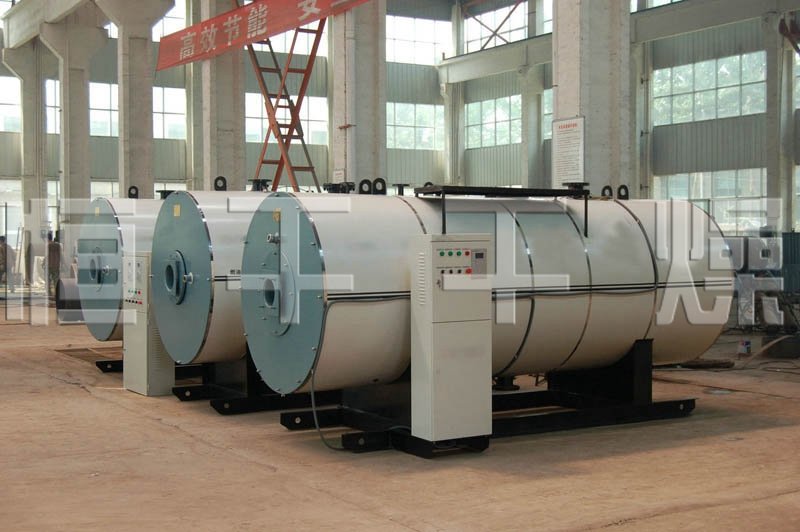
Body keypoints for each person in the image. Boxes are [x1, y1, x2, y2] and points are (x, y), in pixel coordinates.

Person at [45, 232, 62, 298]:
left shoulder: (48, 246)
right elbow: (61, 255)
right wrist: (63, 263)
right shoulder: (58, 245)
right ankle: (56, 293)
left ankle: (49, 292)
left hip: (49, 265)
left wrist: (44, 263)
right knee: (56, 280)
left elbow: (47, 256)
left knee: (48, 280)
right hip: (56, 265)